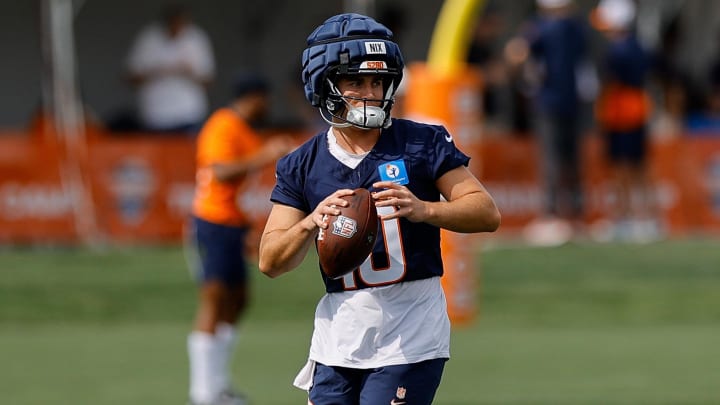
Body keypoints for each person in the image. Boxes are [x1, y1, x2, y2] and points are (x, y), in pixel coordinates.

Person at [258, 13, 500, 405]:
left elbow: (486, 213)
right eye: (355, 81)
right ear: (325, 84)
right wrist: (310, 222)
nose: (370, 92)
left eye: (378, 81)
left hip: (411, 331)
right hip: (339, 336)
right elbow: (270, 261)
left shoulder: (422, 141)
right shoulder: (302, 163)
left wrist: (425, 210)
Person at [186, 73, 294, 405]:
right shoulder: (223, 125)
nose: (268, 106)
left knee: (238, 299)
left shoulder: (243, 130)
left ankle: (218, 384)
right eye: (265, 99)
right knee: (215, 300)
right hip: (212, 221)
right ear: (253, 98)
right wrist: (263, 156)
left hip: (231, 222)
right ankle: (203, 392)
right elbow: (218, 171)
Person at [512, 0, 593, 245]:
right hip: (573, 102)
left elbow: (518, 53)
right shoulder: (578, 29)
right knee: (572, 160)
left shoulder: (541, 28)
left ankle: (551, 216)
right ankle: (577, 216)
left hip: (548, 101)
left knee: (550, 160)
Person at [591, 0, 660, 242]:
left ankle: (626, 219)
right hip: (636, 111)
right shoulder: (639, 47)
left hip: (621, 114)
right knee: (639, 168)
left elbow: (610, 83)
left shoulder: (618, 50)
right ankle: (648, 219)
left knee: (622, 169)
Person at [126, 4, 215, 134]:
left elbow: (208, 79)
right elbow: (131, 77)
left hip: (189, 113)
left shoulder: (196, 38)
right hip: (154, 114)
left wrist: (187, 71)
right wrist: (157, 71)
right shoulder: (149, 38)